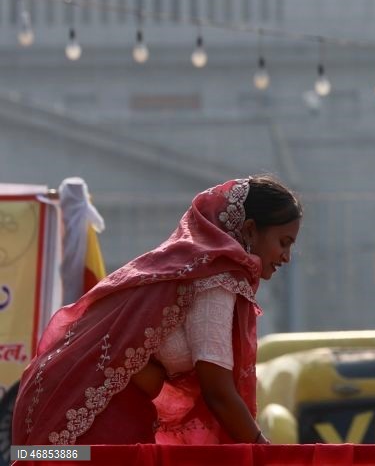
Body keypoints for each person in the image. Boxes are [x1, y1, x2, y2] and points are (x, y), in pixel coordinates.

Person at [12, 175, 302, 445]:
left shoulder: (193, 270)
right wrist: (265, 453)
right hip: (85, 419)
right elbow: (219, 393)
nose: (286, 257)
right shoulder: (216, 281)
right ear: (250, 229)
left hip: (72, 409)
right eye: (283, 243)